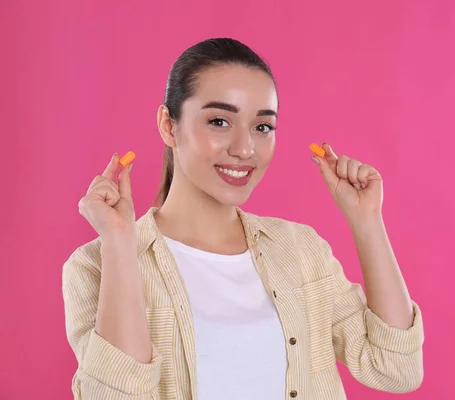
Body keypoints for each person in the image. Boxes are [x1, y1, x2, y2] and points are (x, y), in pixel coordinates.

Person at [62, 38, 424, 400]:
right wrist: (120, 241)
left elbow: (395, 369)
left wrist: (367, 222)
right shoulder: (96, 265)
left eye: (262, 127)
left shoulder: (301, 250)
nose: (244, 149)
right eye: (219, 121)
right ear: (169, 126)